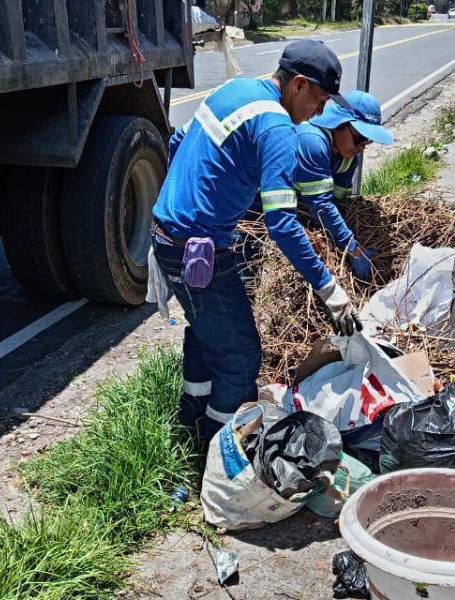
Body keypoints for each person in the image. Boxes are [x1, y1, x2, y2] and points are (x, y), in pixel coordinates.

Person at [150, 40, 362, 440]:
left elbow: (177, 142)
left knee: (206, 333)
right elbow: (282, 223)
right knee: (240, 355)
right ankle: (219, 451)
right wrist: (329, 290)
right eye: (319, 101)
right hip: (198, 251)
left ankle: (191, 422)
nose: (320, 113)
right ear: (299, 85)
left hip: (168, 237)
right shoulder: (278, 127)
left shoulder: (233, 90)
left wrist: (185, 203)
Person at [292, 90, 394, 283]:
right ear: (338, 124)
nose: (362, 147)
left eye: (367, 141)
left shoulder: (349, 159)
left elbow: (339, 202)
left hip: (303, 209)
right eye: (359, 138)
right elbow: (321, 206)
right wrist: (352, 248)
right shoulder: (311, 142)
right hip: (256, 208)